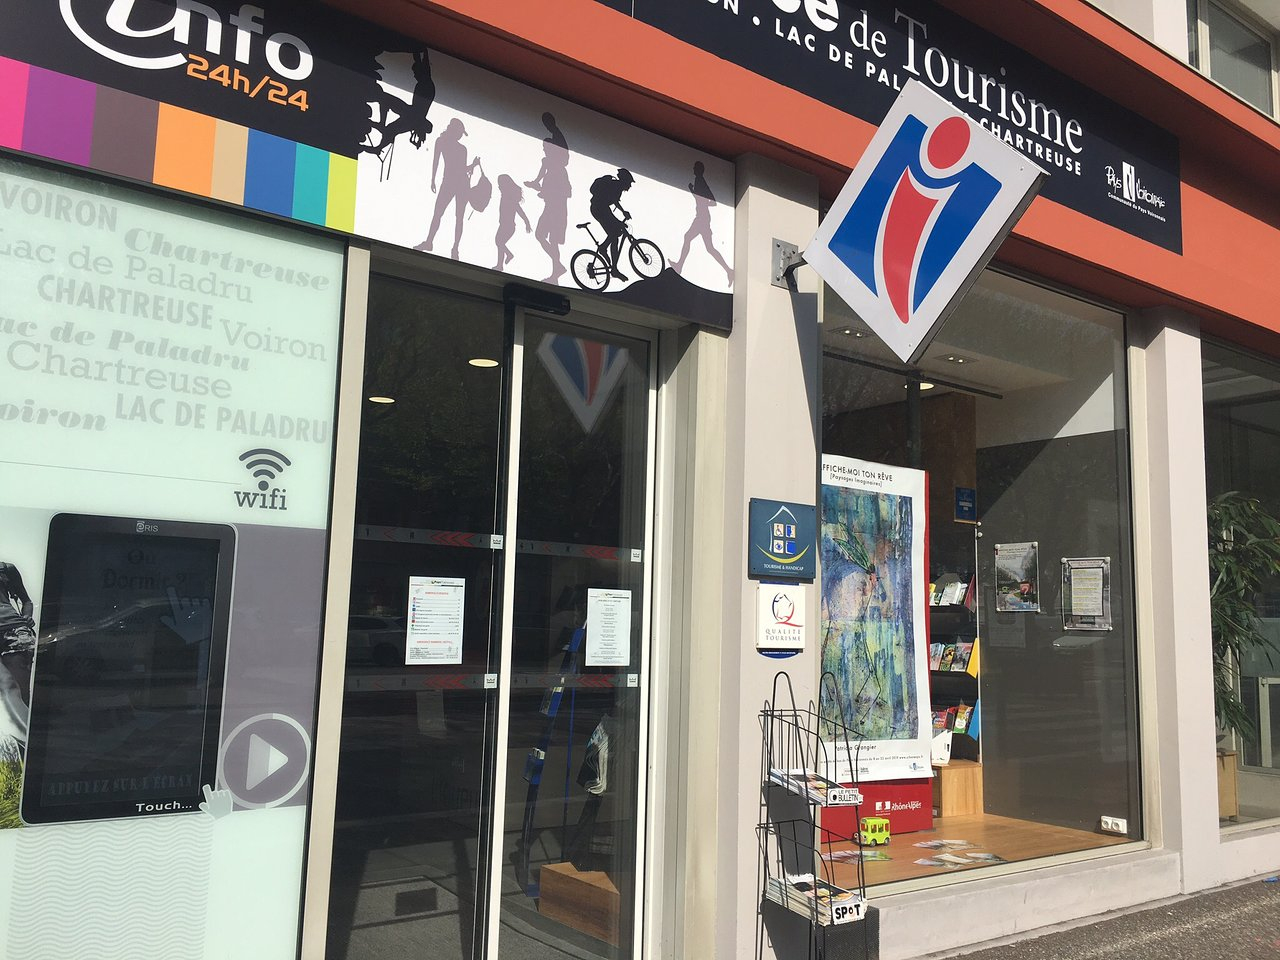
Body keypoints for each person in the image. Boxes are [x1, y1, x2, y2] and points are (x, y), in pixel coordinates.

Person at [418, 118, 480, 260]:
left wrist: (433, 179)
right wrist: (473, 165)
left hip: (452, 183)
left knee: (447, 215)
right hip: (455, 183)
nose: (461, 135)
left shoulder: (444, 143)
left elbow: (440, 162)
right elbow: (439, 162)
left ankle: (449, 247)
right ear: (455, 131)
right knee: (451, 216)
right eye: (460, 133)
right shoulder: (450, 145)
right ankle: (442, 246)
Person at [525, 112, 572, 283]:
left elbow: (561, 144)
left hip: (557, 204)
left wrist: (553, 128)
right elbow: (539, 179)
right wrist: (533, 184)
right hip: (550, 203)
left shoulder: (559, 163)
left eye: (546, 147)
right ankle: (557, 267)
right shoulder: (546, 162)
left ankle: (556, 270)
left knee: (552, 238)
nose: (544, 150)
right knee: (542, 235)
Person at [671, 160, 734, 286]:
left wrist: (693, 192)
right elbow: (707, 200)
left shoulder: (700, 181)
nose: (693, 169)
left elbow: (712, 202)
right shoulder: (699, 181)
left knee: (688, 238)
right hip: (702, 217)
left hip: (702, 218)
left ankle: (679, 266)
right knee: (709, 248)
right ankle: (729, 271)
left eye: (695, 168)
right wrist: (695, 193)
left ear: (698, 170)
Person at [0, 560, 34, 745]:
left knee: (19, 694)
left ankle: (26, 749)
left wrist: (27, 616)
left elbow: (26, 601)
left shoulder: (6, 568)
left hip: (13, 630)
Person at [588, 167, 634, 281]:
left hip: (601, 208)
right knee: (615, 234)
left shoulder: (616, 187)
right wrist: (623, 213)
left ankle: (612, 265)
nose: (630, 186)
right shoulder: (616, 186)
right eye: (629, 183)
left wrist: (622, 214)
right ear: (624, 181)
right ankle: (607, 255)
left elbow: (614, 202)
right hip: (599, 209)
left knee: (615, 234)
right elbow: (613, 201)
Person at [493, 175, 531, 269]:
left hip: (508, 226)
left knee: (499, 242)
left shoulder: (509, 198)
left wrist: (526, 222)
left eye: (500, 185)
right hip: (504, 225)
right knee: (499, 242)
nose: (499, 187)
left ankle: (506, 258)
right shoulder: (505, 196)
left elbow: (520, 211)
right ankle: (500, 264)